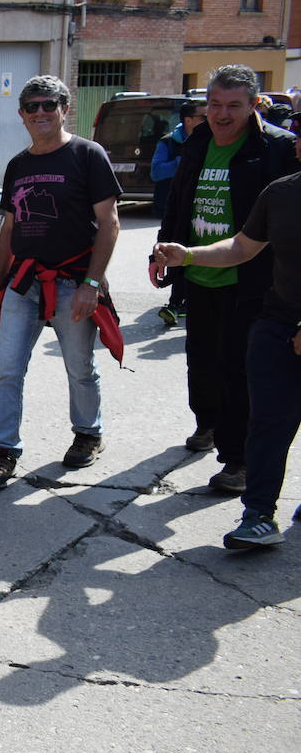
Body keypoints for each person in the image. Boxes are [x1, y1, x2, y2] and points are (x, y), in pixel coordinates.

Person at [151, 65, 298, 492]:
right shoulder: (197, 142)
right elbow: (179, 201)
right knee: (202, 361)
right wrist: (162, 249)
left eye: (234, 105)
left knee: (239, 369)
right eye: (215, 104)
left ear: (254, 106)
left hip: (253, 281)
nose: (222, 114)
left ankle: (239, 461)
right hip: (199, 274)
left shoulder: (276, 149)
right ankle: (209, 424)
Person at [0, 75, 122, 489]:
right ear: (22, 115)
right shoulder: (19, 165)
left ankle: (87, 434)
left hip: (73, 282)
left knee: (79, 368)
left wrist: (92, 284)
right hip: (23, 285)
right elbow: (9, 229)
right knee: (7, 370)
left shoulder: (87, 154)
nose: (41, 112)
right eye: (33, 106)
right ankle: (4, 452)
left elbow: (109, 223)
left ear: (64, 108)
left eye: (49, 105)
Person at [150, 100, 204, 326]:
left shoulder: (212, 142)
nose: (209, 119)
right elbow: (156, 171)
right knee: (180, 253)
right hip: (175, 209)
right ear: (188, 120)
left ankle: (182, 303)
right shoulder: (169, 143)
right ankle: (175, 303)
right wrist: (183, 162)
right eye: (203, 116)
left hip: (201, 210)